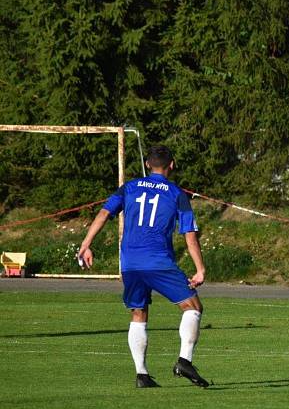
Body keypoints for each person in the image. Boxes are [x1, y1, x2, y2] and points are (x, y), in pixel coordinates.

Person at [77, 145, 210, 388]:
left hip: (129, 263)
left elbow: (104, 214)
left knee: (138, 313)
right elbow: (189, 235)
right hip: (158, 261)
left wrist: (85, 245)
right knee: (192, 306)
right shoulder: (176, 193)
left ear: (148, 164)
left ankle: (142, 374)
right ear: (172, 164)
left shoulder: (128, 187)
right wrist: (200, 269)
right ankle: (184, 361)